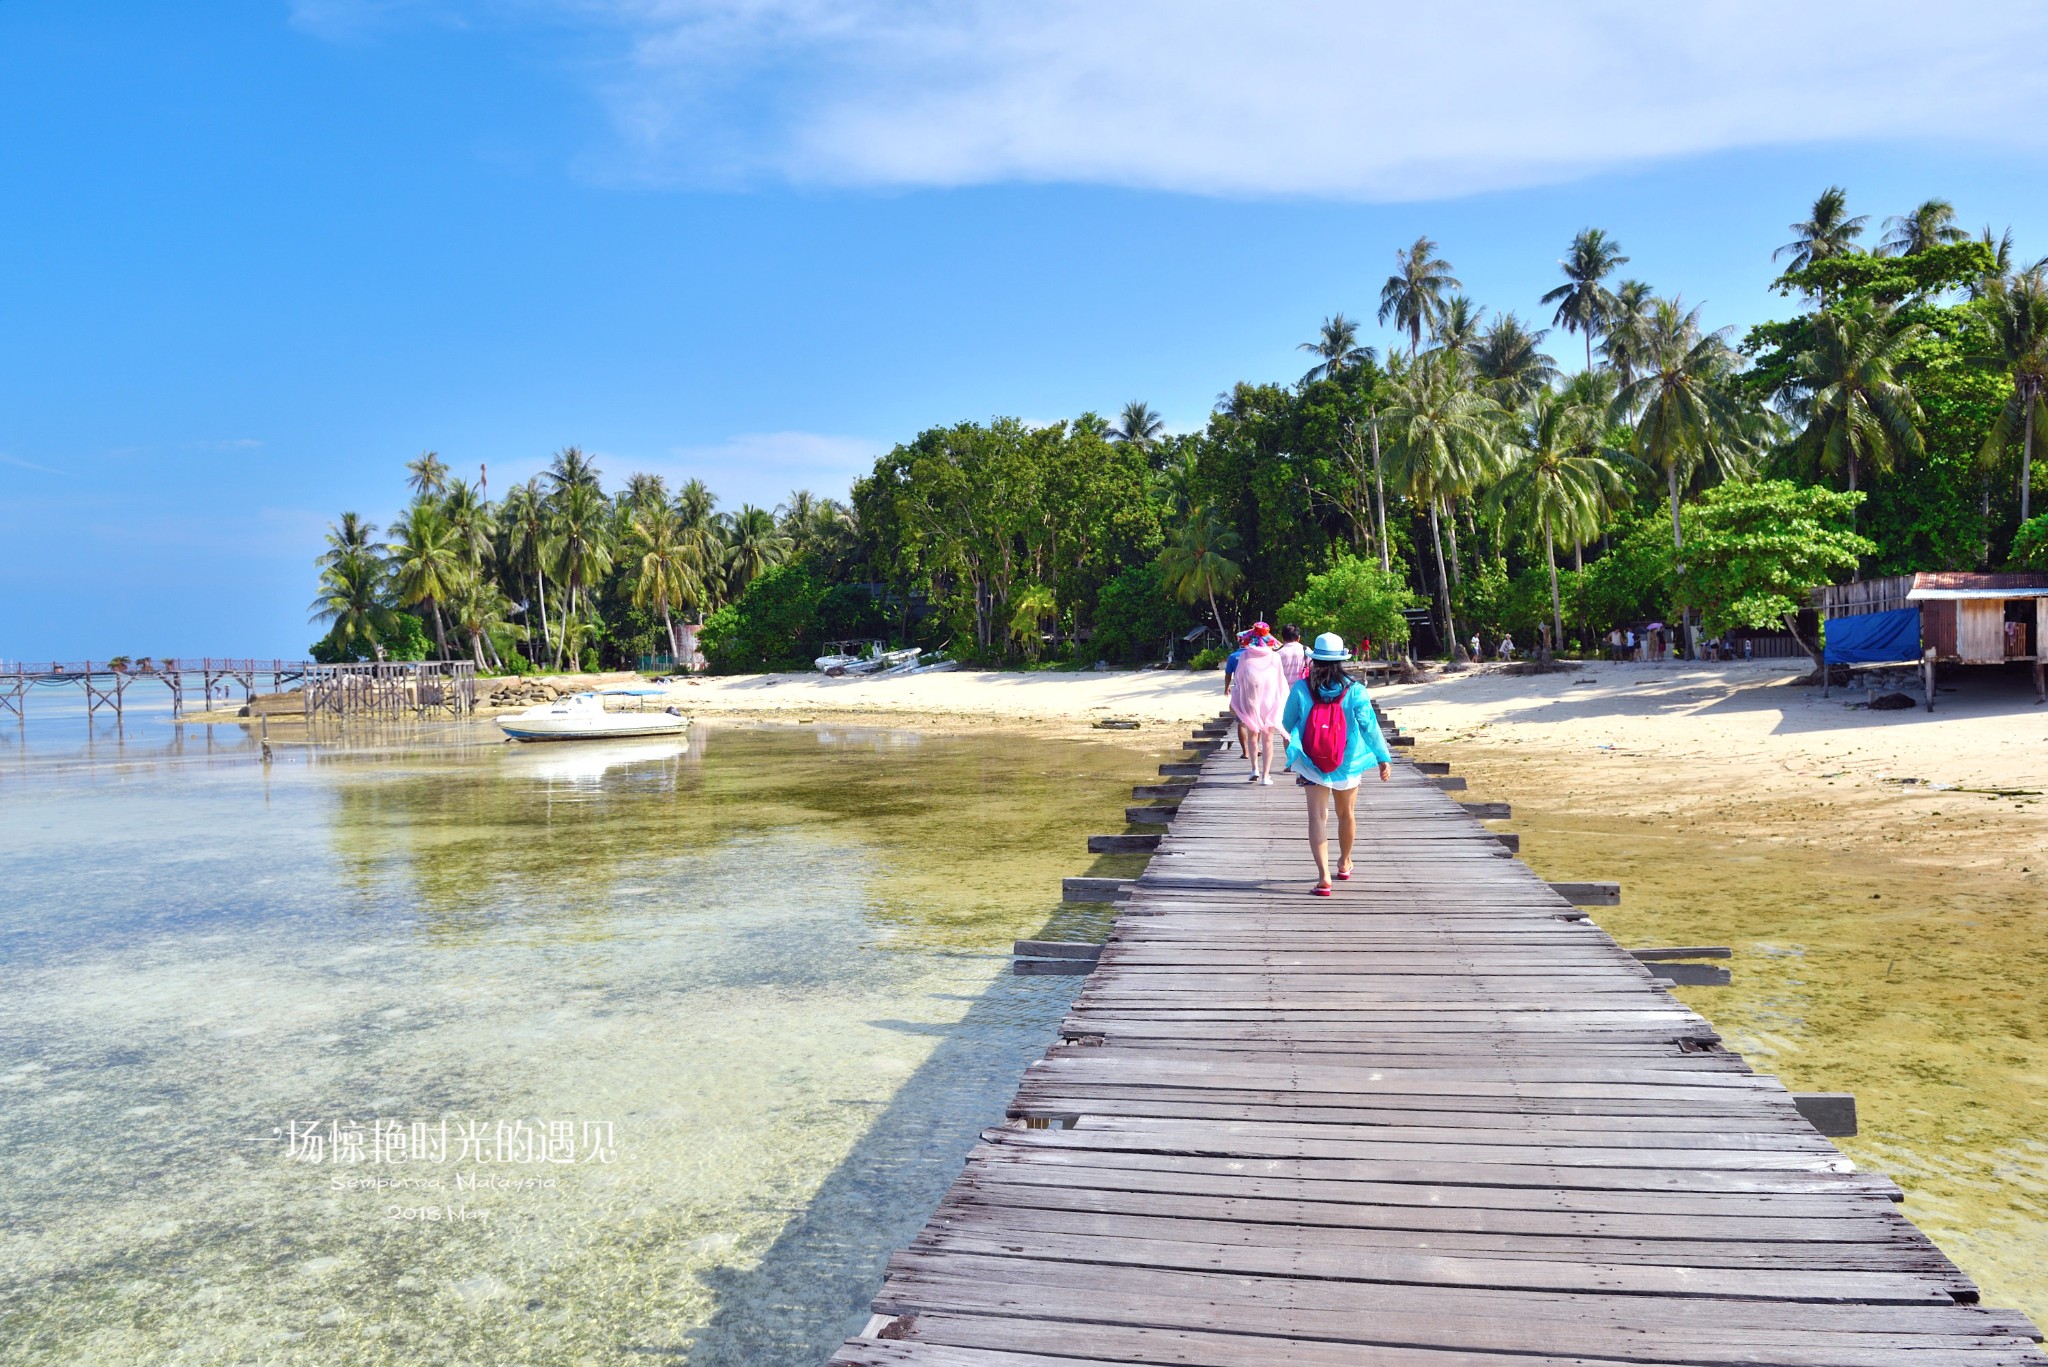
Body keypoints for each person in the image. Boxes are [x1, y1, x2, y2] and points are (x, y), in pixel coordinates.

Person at [1282, 632, 1394, 896]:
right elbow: (1369, 726)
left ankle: (1323, 878)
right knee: (1346, 814)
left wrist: (1291, 752)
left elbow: (1286, 724)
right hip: (1349, 762)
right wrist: (1382, 757)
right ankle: (1344, 863)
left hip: (1311, 761)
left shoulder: (1301, 688)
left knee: (1317, 817)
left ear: (1315, 660)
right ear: (1341, 660)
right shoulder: (1355, 690)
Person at [1231, 628, 1288, 783]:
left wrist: (1237, 699)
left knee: (1252, 735)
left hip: (1251, 700)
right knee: (1268, 738)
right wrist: (1281, 701)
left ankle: (1254, 768)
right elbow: (1280, 681)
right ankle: (1265, 776)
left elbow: (1239, 679)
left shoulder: (1244, 655)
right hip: (1269, 701)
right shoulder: (1275, 657)